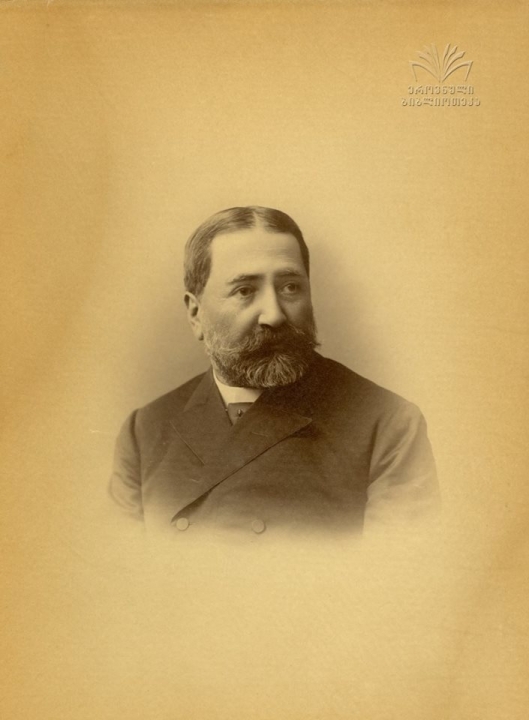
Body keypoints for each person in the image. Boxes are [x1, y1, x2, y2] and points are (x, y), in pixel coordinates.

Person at [109, 206, 439, 539]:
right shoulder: (144, 433)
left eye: (290, 287)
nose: (274, 315)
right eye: (245, 291)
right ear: (196, 314)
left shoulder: (388, 425)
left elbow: (396, 567)